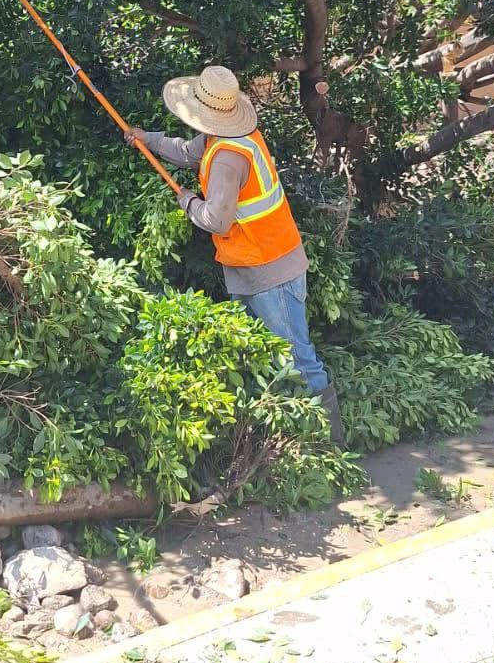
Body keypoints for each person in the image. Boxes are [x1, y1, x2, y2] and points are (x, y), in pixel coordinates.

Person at [128, 64, 344, 445]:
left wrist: (187, 201)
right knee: (262, 355)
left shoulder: (230, 157)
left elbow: (216, 220)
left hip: (270, 269)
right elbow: (187, 153)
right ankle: (283, 436)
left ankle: (329, 445)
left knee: (296, 357)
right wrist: (147, 139)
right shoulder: (221, 136)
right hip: (249, 265)